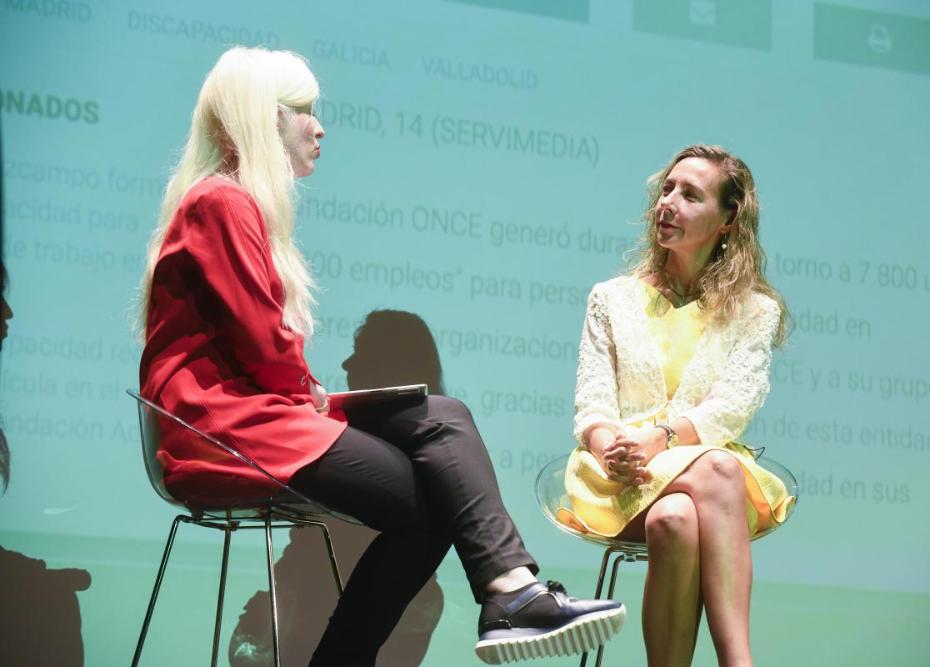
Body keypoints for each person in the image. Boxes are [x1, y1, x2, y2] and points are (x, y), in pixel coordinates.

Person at [137, 46, 624, 667]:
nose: (319, 127)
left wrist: (310, 392)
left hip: (257, 416)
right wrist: (310, 393)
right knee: (438, 489)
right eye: (303, 111)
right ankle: (508, 595)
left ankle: (511, 592)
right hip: (229, 428)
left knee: (443, 418)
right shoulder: (223, 202)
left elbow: (259, 348)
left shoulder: (228, 203)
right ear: (263, 118)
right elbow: (261, 344)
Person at [566, 144, 795, 667]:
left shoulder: (755, 311)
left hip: (694, 473)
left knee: (674, 518)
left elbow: (732, 407)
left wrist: (663, 438)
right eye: (666, 189)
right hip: (618, 476)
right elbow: (592, 408)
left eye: (690, 195)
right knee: (717, 469)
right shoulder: (612, 297)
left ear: (727, 219)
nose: (667, 202)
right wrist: (613, 449)